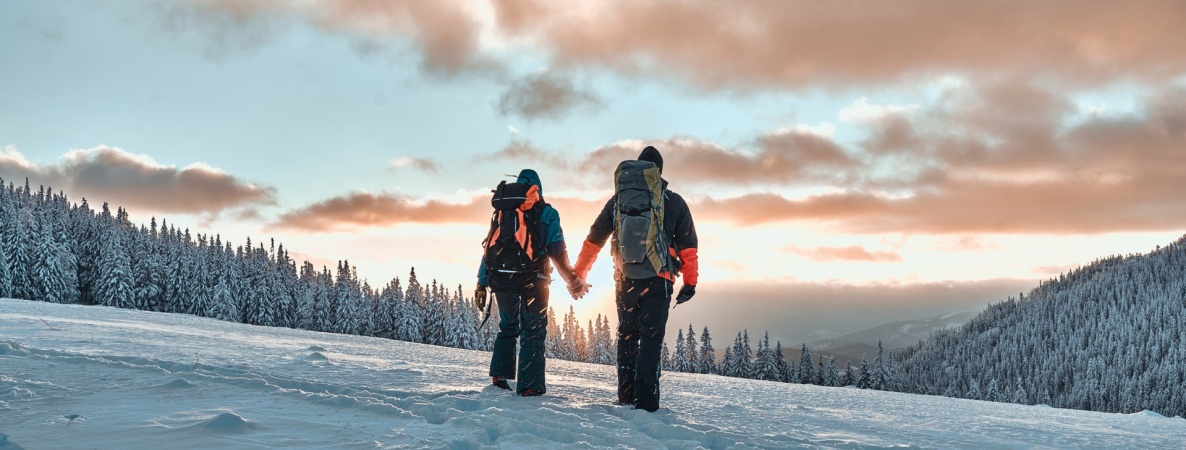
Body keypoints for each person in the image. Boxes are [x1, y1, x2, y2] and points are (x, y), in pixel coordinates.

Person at [573, 146, 699, 412]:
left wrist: (579, 274)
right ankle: (646, 402)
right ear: (658, 172)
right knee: (651, 341)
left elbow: (594, 240)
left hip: (625, 280)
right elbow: (688, 247)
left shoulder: (619, 201)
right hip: (659, 281)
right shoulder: (672, 201)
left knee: (628, 336)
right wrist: (690, 283)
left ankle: (625, 396)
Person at [475, 169, 590, 397]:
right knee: (533, 329)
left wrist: (481, 282)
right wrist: (572, 280)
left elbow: (489, 247)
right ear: (537, 188)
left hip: (502, 275)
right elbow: (557, 249)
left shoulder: (503, 210)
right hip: (534, 279)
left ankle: (499, 376)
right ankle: (529, 386)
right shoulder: (547, 213)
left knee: (507, 325)